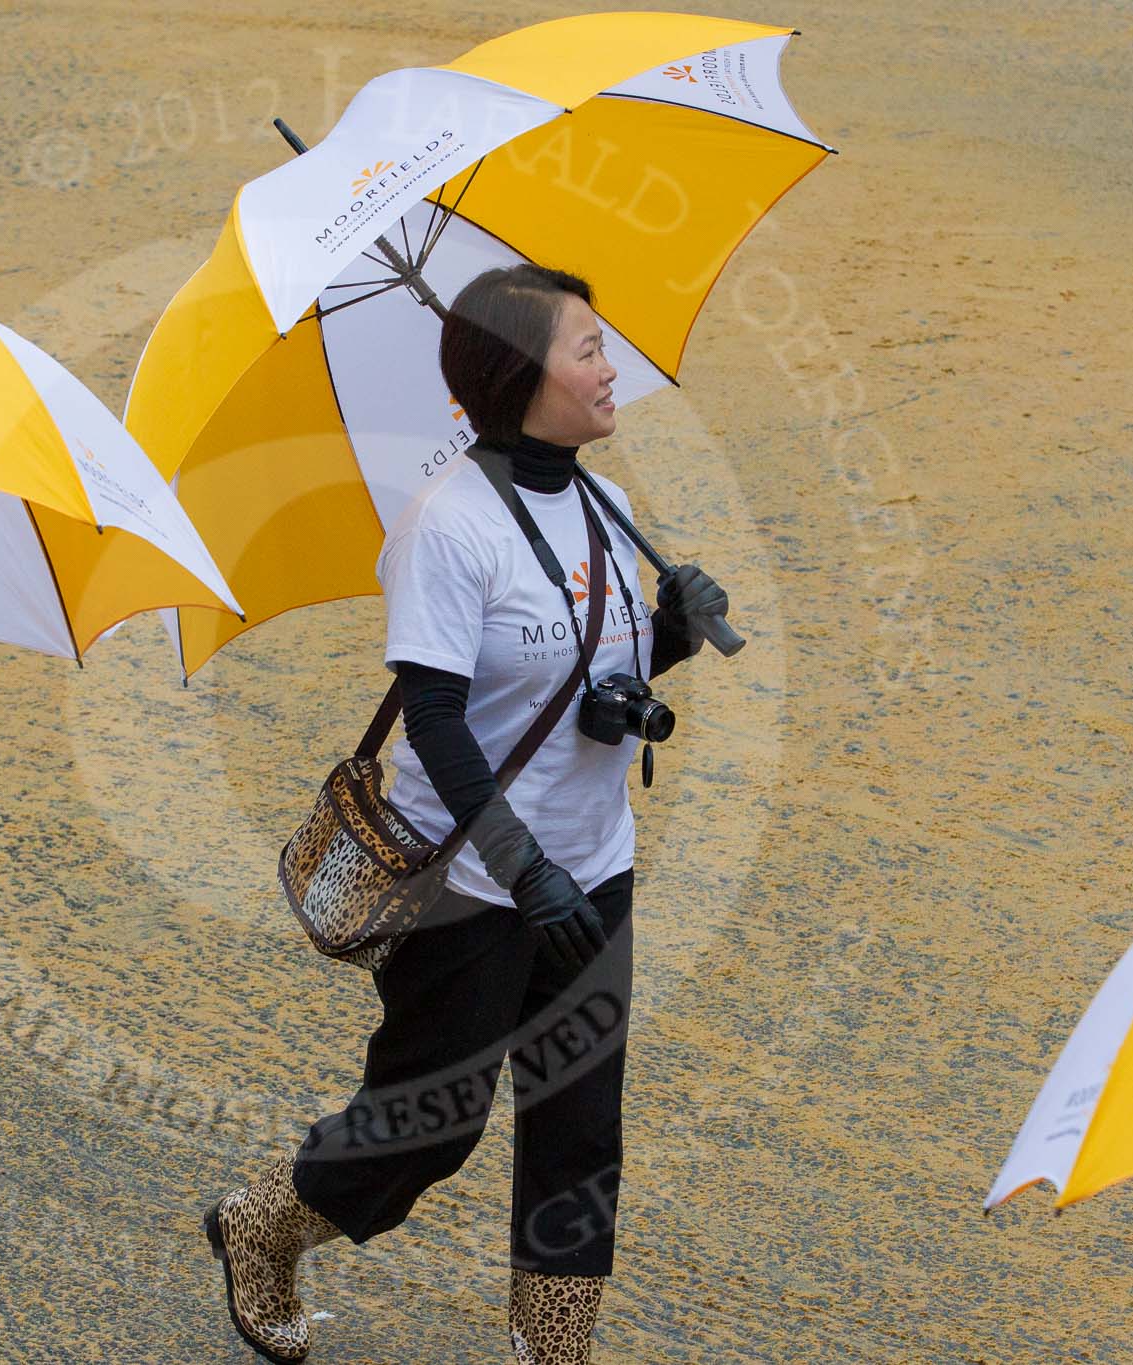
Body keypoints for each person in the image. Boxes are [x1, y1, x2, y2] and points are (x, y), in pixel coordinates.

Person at [203, 264, 729, 1364]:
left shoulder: (604, 505)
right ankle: (261, 1225)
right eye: (585, 348)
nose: (608, 365)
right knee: (425, 1130)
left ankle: (551, 1354)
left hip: (592, 867)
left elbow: (589, 696)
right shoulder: (447, 527)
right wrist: (520, 865)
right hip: (470, 886)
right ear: (519, 375)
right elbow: (435, 721)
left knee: (580, 1135)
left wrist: (669, 635)